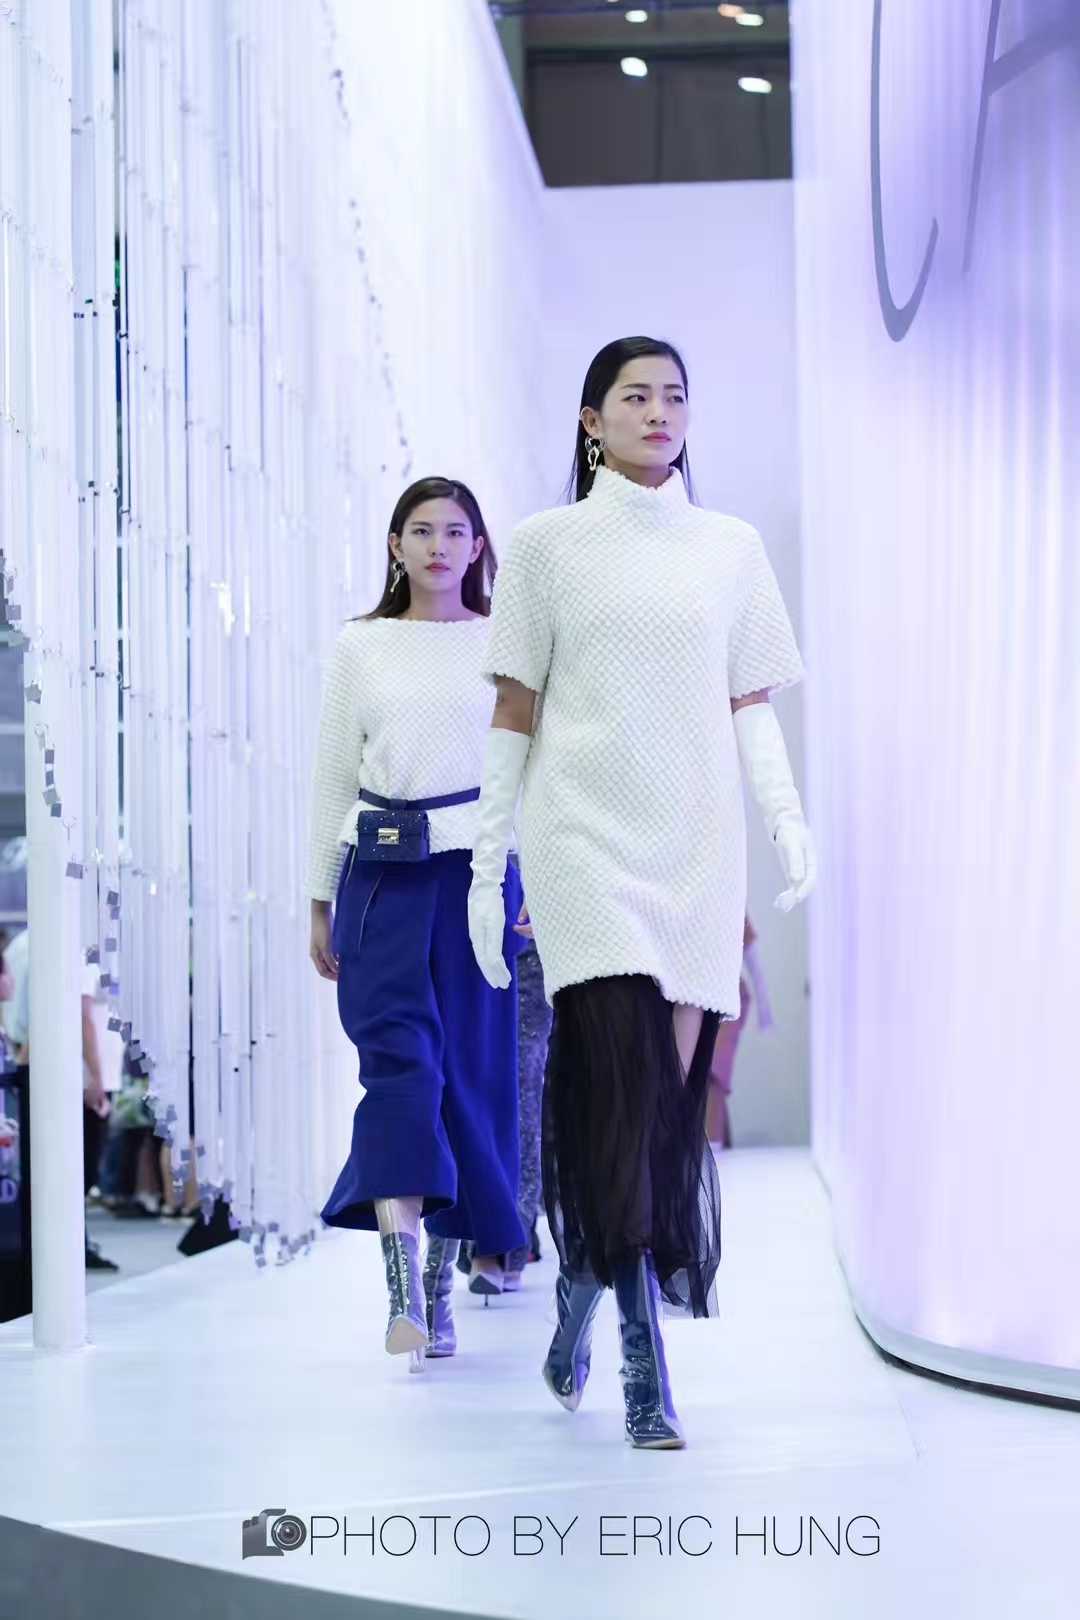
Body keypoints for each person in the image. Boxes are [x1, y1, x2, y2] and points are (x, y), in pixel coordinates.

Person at [468, 336, 816, 1449]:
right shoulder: (545, 546)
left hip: (696, 846)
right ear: (592, 419)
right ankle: (640, 1367)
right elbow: (513, 710)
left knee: (659, 1113)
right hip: (581, 840)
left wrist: (786, 816)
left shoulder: (729, 548)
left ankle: (584, 1288)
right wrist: (487, 861)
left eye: (674, 396)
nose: (659, 411)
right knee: (615, 1085)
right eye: (635, 395)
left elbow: (750, 702)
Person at [308, 476, 527, 1372]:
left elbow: (533, 771)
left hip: (479, 879)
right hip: (379, 880)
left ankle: (438, 1284)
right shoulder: (360, 646)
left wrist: (530, 888)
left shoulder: (505, 642)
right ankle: (401, 1289)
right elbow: (332, 776)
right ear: (395, 544)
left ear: (478, 548)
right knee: (400, 1075)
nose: (439, 546)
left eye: (456, 531)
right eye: (422, 530)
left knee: (468, 1087)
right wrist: (319, 898)